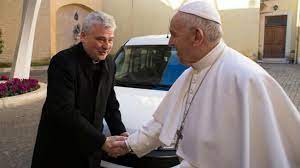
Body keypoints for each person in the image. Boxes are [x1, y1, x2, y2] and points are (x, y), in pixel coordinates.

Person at [114, 0, 300, 167]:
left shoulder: (246, 78)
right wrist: (129, 144)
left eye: (174, 34)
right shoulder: (190, 73)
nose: (170, 42)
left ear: (197, 36)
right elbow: (161, 123)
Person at [31, 11, 128, 168]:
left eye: (110, 40)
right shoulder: (62, 62)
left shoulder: (110, 63)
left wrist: (120, 132)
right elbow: (64, 111)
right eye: (100, 39)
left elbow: (110, 102)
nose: (107, 46)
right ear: (83, 36)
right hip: (61, 149)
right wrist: (102, 141)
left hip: (91, 149)